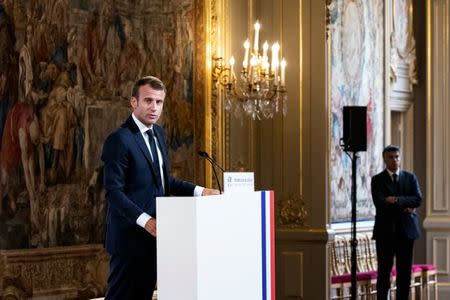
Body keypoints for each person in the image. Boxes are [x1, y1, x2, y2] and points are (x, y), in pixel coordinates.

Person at [101, 76, 220, 299]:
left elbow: (165, 181)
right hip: (129, 241)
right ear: (133, 102)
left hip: (157, 239)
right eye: (148, 101)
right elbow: (114, 193)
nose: (154, 107)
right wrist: (148, 222)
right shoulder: (119, 139)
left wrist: (201, 191)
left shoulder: (158, 134)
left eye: (159, 102)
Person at [371, 145, 422, 299]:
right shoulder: (377, 180)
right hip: (385, 232)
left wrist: (396, 200)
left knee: (404, 272)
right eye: (391, 157)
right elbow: (380, 203)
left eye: (397, 157)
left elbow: (418, 199)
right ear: (384, 159)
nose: (395, 160)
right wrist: (406, 206)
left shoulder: (410, 177)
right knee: (384, 272)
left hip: (406, 232)